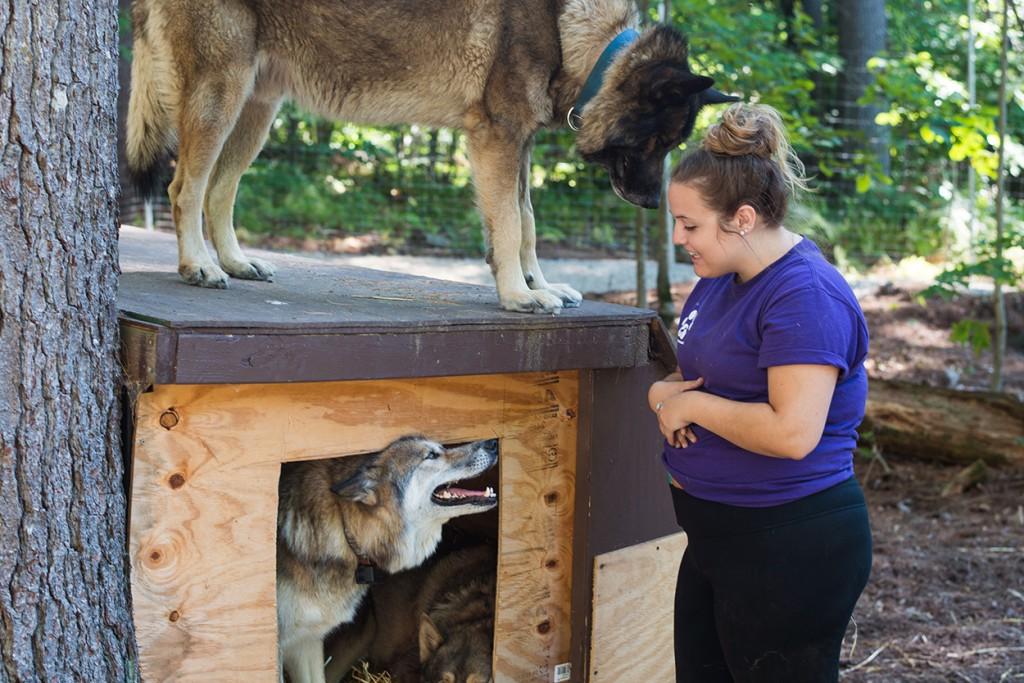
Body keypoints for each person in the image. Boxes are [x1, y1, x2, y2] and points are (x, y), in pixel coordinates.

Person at [648, 103, 872, 682]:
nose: (679, 239)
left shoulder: (804, 295)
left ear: (742, 218)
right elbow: (696, 377)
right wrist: (662, 396)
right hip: (717, 536)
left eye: (690, 224)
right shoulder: (720, 280)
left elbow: (792, 432)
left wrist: (690, 406)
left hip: (789, 543)